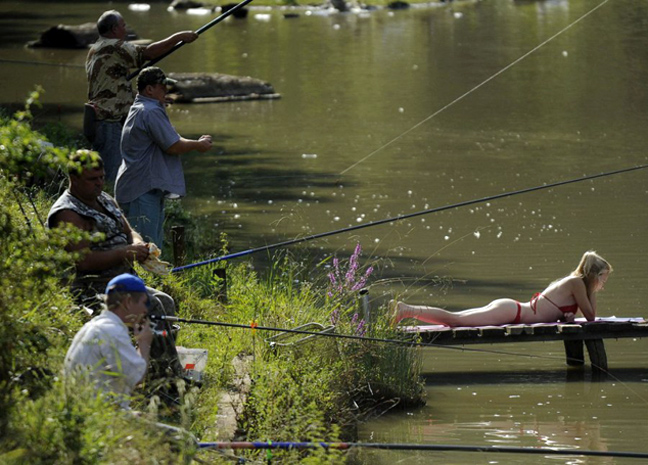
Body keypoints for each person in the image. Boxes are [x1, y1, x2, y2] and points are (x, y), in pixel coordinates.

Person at [47, 150, 183, 379]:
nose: (99, 183)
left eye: (101, 177)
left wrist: (139, 246)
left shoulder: (104, 199)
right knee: (153, 307)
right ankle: (164, 377)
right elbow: (83, 261)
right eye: (92, 179)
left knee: (166, 302)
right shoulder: (67, 213)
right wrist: (124, 253)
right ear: (74, 178)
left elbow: (128, 231)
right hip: (92, 289)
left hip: (123, 282)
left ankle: (159, 368)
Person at [86, 10, 199, 182]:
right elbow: (148, 53)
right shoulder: (113, 46)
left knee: (108, 170)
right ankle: (107, 206)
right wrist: (179, 37)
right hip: (109, 121)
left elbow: (114, 88)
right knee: (109, 175)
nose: (126, 29)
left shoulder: (95, 49)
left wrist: (154, 97)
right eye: (123, 25)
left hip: (100, 118)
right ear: (115, 29)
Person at [115, 66, 212, 250]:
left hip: (137, 187)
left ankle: (148, 279)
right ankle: (147, 280)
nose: (166, 91)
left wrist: (194, 142)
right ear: (149, 89)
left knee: (145, 248)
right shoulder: (151, 111)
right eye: (162, 87)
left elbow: (171, 140)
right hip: (141, 190)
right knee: (146, 251)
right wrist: (198, 145)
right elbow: (173, 146)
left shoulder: (141, 107)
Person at [392, 251, 612, 327]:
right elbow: (591, 317)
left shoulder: (574, 284)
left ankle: (407, 310)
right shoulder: (577, 283)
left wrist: (566, 317)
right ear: (594, 275)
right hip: (512, 312)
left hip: (511, 309)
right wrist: (593, 287)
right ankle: (406, 310)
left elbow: (571, 313)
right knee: (454, 320)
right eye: (603, 278)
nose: (603, 284)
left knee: (456, 318)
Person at [64, 273, 152, 409]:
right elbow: (137, 379)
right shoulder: (113, 332)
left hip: (81, 411)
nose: (145, 309)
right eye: (144, 302)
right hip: (99, 418)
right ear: (128, 302)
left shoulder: (93, 326)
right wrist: (144, 343)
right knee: (179, 432)